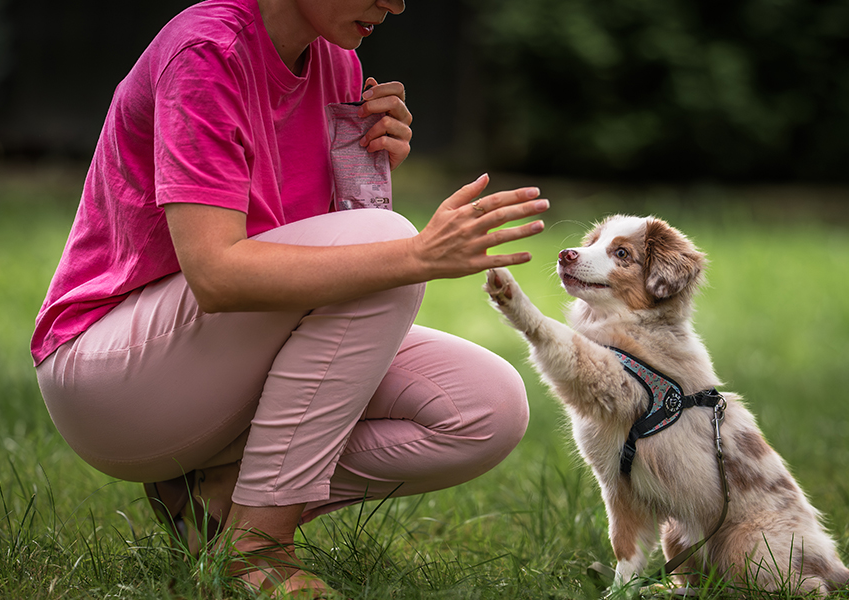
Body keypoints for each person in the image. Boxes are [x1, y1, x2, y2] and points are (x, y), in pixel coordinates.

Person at [31, 0, 547, 595]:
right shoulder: (207, 53)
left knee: (486, 407)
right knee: (386, 248)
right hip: (111, 377)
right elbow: (217, 275)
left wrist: (369, 168)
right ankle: (258, 550)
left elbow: (324, 263)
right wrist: (414, 256)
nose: (397, 3)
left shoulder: (337, 63)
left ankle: (217, 499)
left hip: (214, 360)